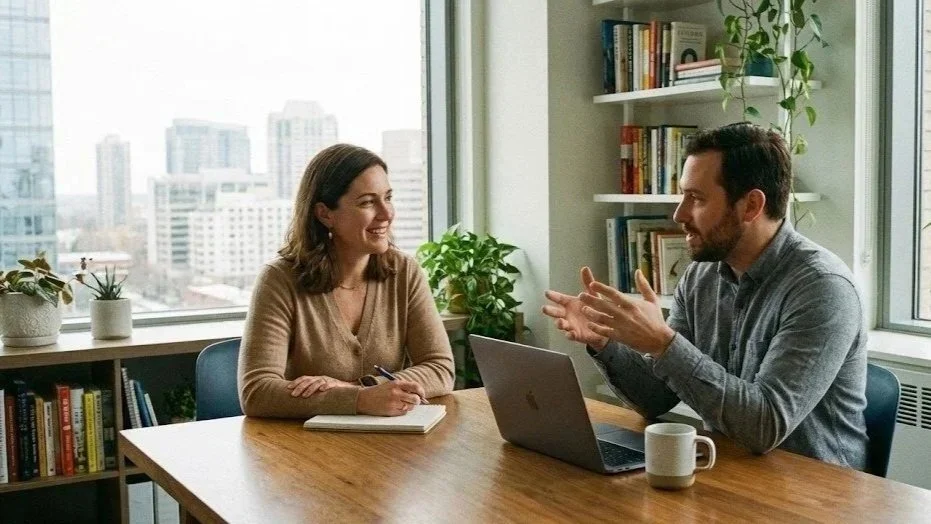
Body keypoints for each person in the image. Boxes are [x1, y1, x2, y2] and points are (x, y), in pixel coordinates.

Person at [543, 123, 868, 469]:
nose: (679, 215)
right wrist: (606, 343)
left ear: (751, 206)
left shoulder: (822, 288)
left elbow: (765, 426)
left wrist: (664, 344)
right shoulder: (701, 276)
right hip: (729, 473)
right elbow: (657, 397)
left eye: (696, 198)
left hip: (818, 496)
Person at [238, 143, 455, 418]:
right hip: (306, 451)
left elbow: (440, 368)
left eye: (388, 197)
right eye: (367, 202)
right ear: (325, 214)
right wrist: (361, 400)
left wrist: (361, 388)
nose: (386, 213)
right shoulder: (279, 280)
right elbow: (257, 392)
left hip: (390, 450)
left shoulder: (405, 272)